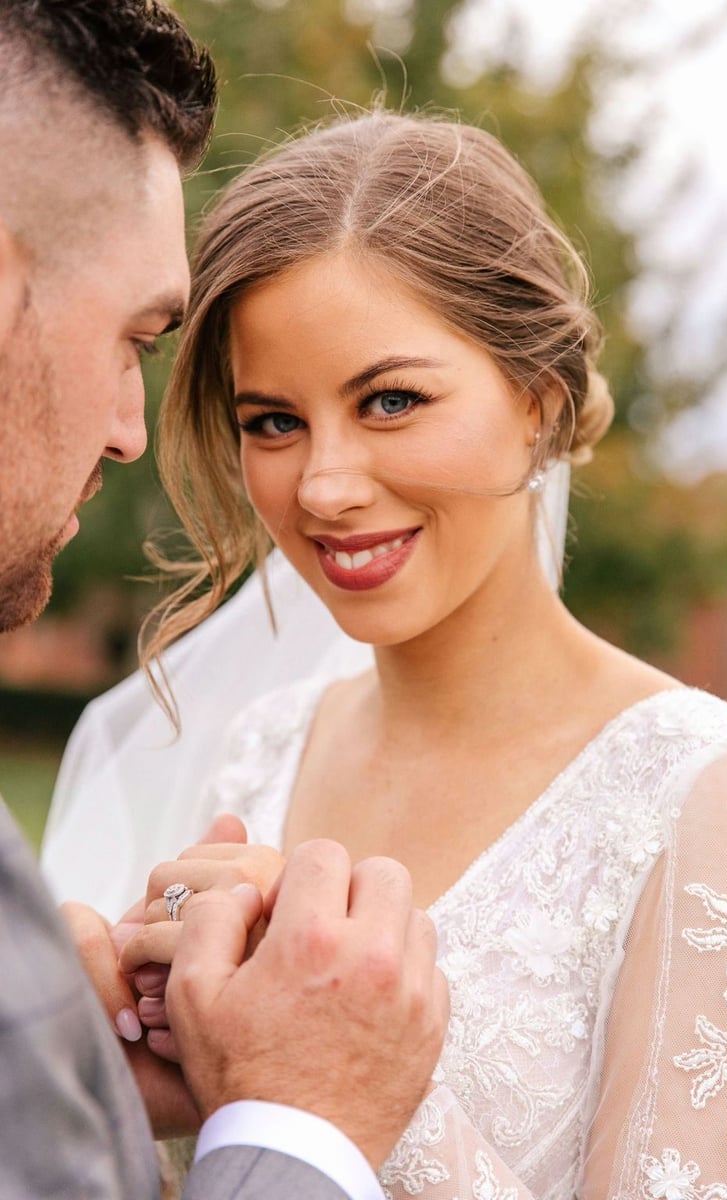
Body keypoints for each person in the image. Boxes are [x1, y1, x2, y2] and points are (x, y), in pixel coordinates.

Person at [91, 109, 727, 1197]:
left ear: (536, 402)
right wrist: (125, 1087)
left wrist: (346, 1093)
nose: (322, 485)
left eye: (389, 400)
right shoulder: (262, 753)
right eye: (272, 421)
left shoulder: (716, 796)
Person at [0, 4, 448, 1196]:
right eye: (138, 337)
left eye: (394, 400)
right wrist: (300, 1127)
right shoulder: (222, 752)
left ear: (547, 399)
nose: (128, 434)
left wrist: (71, 1079)